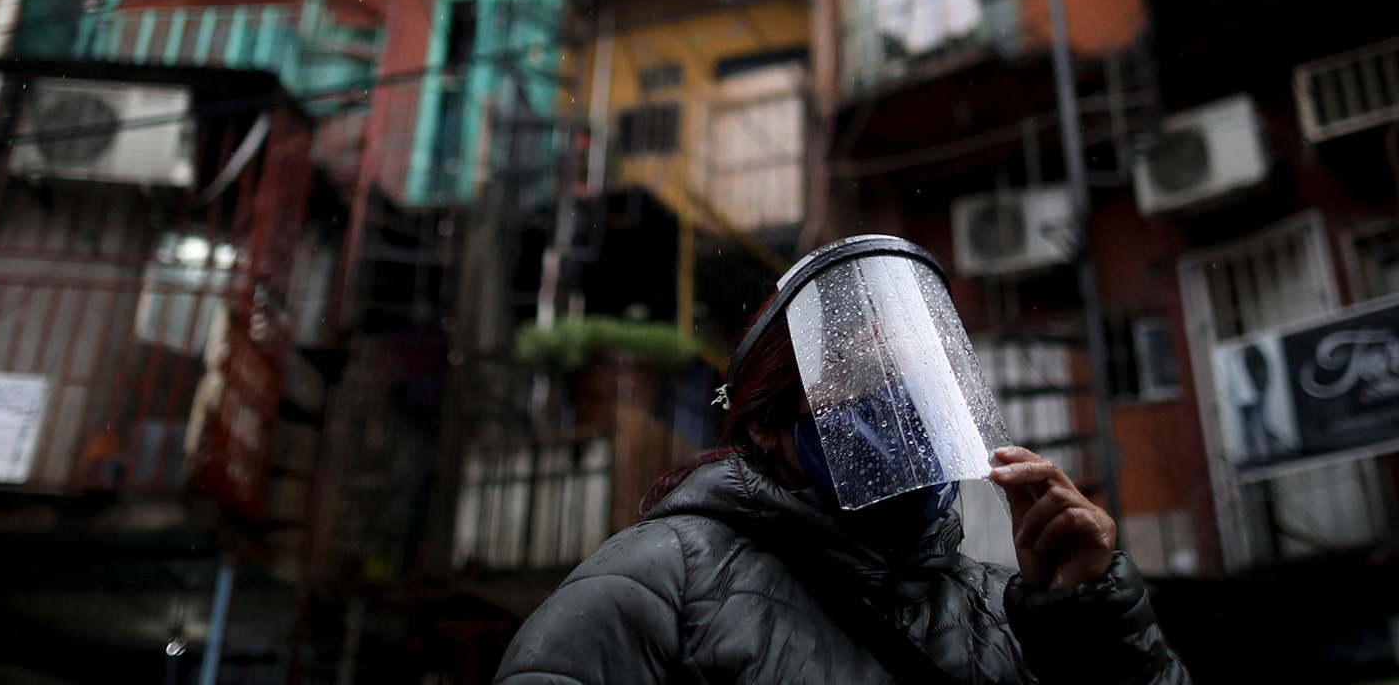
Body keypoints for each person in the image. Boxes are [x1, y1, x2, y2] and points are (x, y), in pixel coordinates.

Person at [494, 235, 1192, 684]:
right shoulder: (661, 582)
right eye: (864, 381)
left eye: (923, 382)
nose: (903, 408)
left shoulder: (1002, 608)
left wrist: (1090, 623)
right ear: (768, 426)